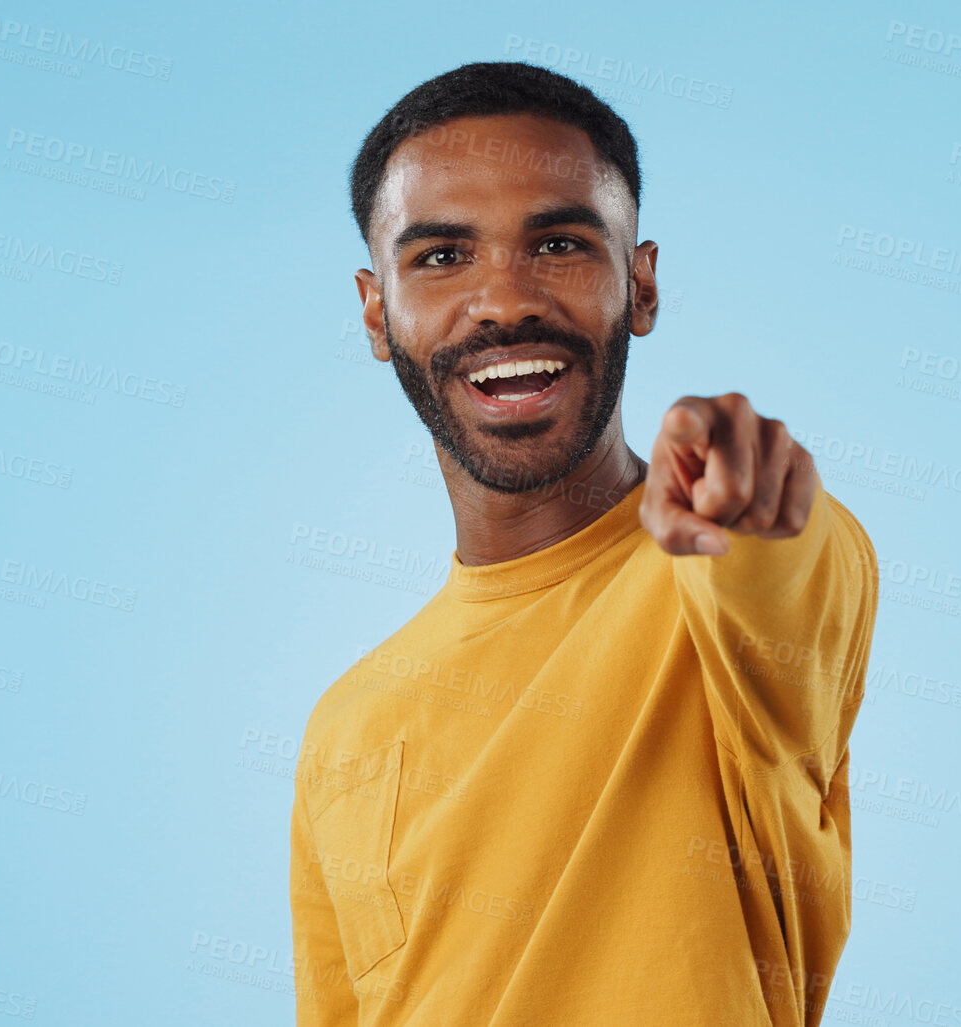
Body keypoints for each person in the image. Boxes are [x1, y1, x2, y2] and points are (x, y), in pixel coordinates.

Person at [290, 61, 880, 1026]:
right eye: (441, 257)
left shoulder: (725, 576)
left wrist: (743, 485)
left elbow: (782, 564)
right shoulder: (345, 727)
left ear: (638, 286)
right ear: (374, 312)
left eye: (558, 243)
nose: (503, 301)